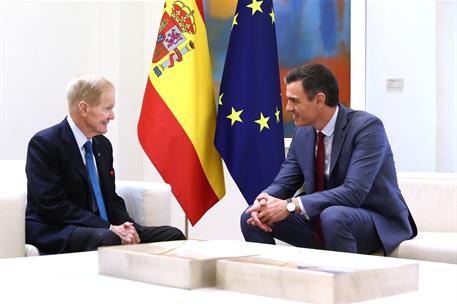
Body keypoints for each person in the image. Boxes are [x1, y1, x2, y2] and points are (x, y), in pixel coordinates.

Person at [241, 63, 417, 255]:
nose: (288, 108)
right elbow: (285, 181)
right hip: (324, 217)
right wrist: (265, 200)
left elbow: (353, 192)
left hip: (372, 219)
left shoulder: (367, 128)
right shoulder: (303, 132)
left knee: (334, 217)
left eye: (294, 101)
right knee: (251, 217)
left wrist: (291, 205)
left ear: (319, 100)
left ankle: (344, 283)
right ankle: (273, 282)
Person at [26, 74, 185, 254]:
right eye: (107, 108)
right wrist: (109, 227)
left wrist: (126, 227)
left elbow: (111, 198)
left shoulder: (102, 145)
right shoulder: (45, 143)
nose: (112, 116)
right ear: (84, 108)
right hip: (59, 228)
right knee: (108, 239)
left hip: (102, 228)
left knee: (173, 235)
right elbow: (53, 206)